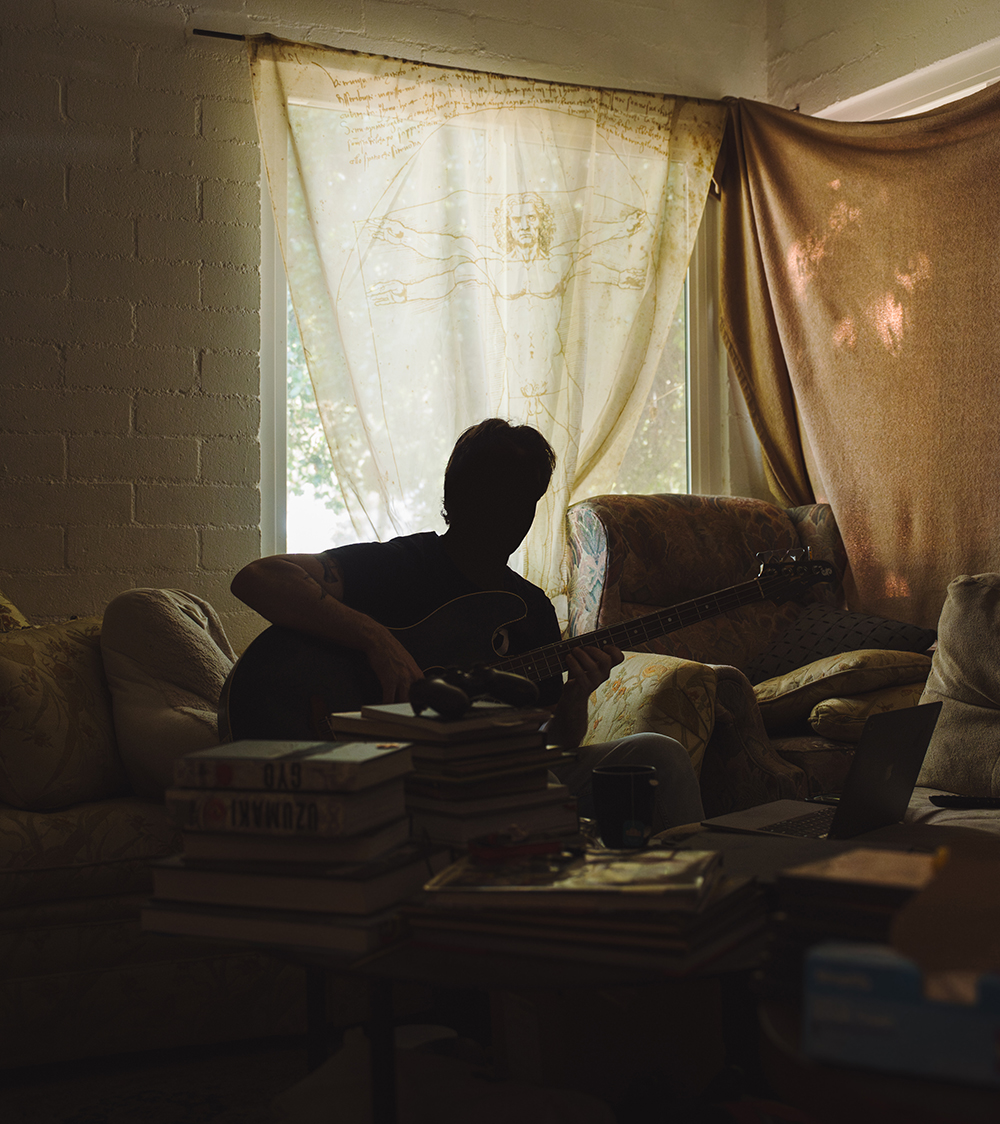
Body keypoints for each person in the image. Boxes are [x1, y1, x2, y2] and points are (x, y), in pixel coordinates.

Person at [231, 418, 703, 832]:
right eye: (502, 495)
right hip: (390, 772)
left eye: (527, 499)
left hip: (488, 776)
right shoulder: (403, 565)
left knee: (659, 754)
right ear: (459, 496)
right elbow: (258, 578)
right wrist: (378, 641)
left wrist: (576, 695)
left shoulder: (529, 607)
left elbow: (554, 745)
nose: (517, 515)